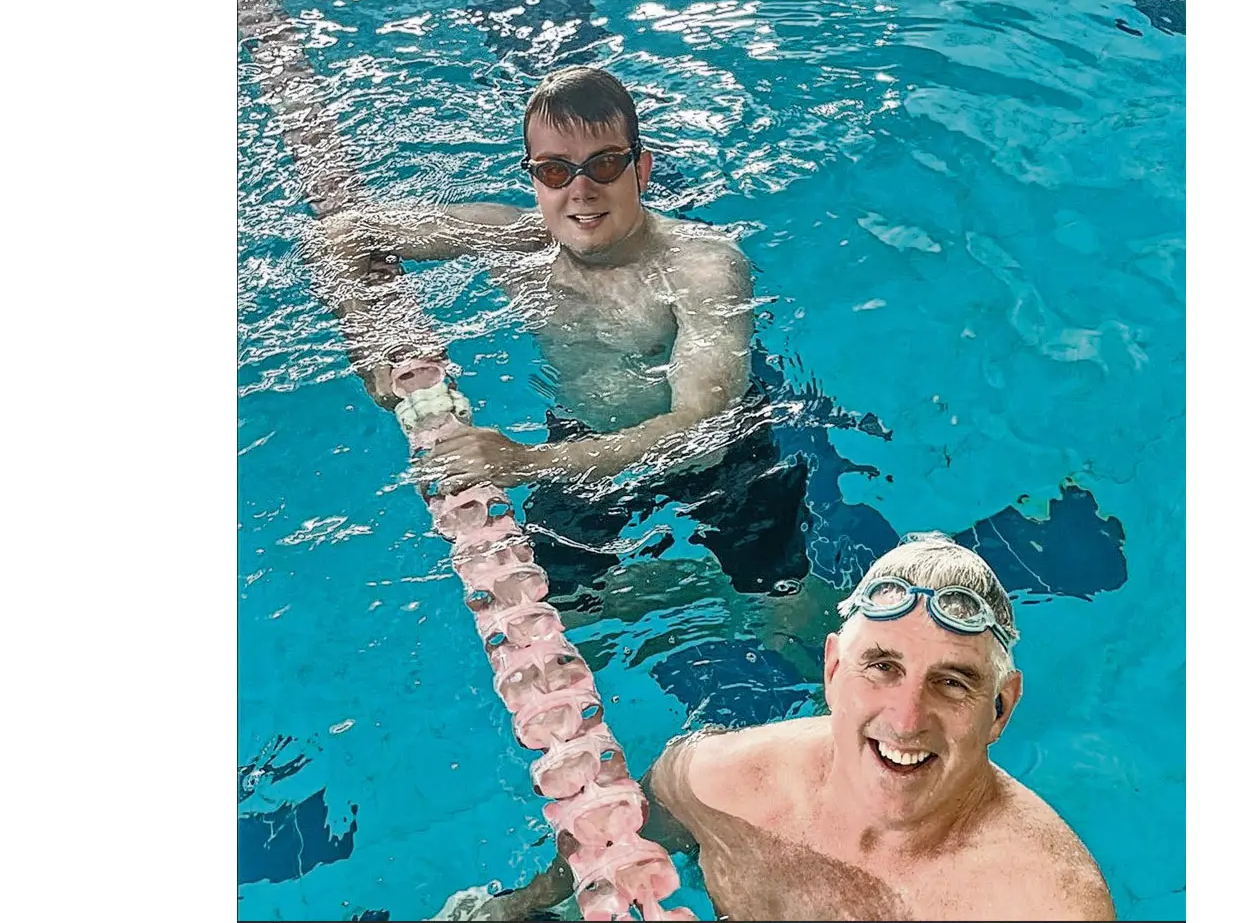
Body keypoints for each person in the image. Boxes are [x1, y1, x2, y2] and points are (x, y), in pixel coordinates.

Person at [320, 65, 812, 603]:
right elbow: (343, 236)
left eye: (603, 165)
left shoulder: (702, 267)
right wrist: (370, 351)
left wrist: (525, 463)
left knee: (786, 611)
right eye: (556, 170)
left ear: (641, 169)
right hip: (582, 438)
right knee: (555, 613)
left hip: (724, 462)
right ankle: (678, 588)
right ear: (534, 178)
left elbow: (701, 428)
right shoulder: (514, 242)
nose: (581, 190)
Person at [446, 533, 1115, 921]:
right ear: (833, 671)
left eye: (953, 682)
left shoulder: (1041, 903)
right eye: (882, 667)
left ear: (1001, 709)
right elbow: (607, 860)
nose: (907, 719)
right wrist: (523, 907)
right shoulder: (716, 783)